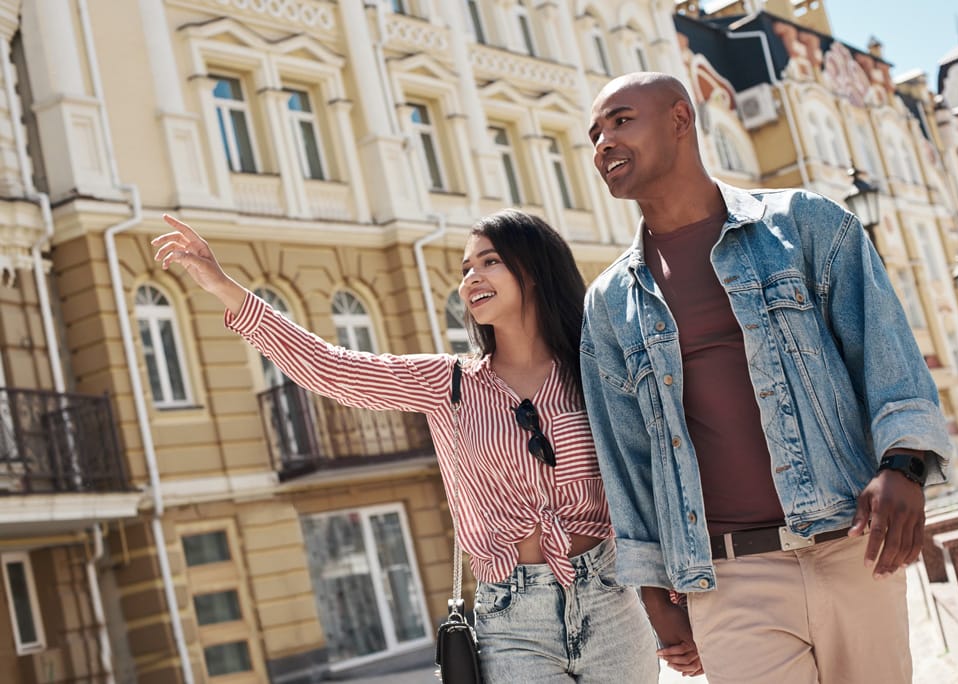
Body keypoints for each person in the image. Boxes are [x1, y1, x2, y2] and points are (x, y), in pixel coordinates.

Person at [152, 210, 660, 683]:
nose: (471, 279)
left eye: (490, 261)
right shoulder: (449, 383)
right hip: (514, 620)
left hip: (611, 600)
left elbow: (647, 471)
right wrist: (226, 290)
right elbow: (334, 370)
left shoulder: (590, 370)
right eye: (466, 268)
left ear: (535, 270)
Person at [580, 71, 953, 683]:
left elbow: (886, 355)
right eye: (594, 134)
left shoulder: (805, 225)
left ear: (680, 118)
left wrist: (905, 462)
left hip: (849, 546)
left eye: (620, 121)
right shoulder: (610, 302)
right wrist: (652, 593)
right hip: (729, 580)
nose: (603, 144)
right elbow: (626, 456)